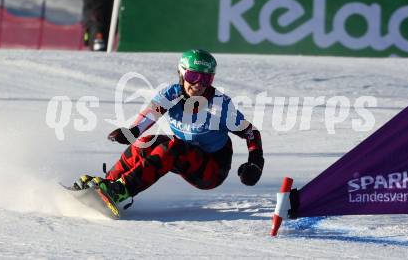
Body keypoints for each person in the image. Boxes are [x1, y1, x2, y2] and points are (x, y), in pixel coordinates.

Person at [74, 49, 265, 207]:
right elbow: (151, 114)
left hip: (212, 170)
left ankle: (122, 191)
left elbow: (251, 132)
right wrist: (132, 132)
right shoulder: (171, 95)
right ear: (181, 73)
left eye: (206, 79)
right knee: (147, 141)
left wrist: (255, 163)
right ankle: (109, 183)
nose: (198, 84)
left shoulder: (220, 106)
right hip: (185, 153)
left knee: (174, 147)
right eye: (192, 76)